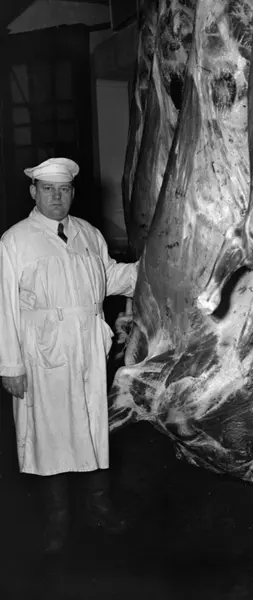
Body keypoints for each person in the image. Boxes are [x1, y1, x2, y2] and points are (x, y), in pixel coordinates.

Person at [0, 158, 138, 554]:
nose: (56, 197)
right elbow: (5, 308)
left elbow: (110, 278)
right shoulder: (15, 241)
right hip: (44, 349)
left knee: (93, 427)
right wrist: (10, 366)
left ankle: (100, 506)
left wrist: (153, 268)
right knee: (50, 434)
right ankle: (57, 519)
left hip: (88, 346)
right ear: (34, 192)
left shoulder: (88, 233)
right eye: (48, 189)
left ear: (73, 193)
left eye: (63, 190)